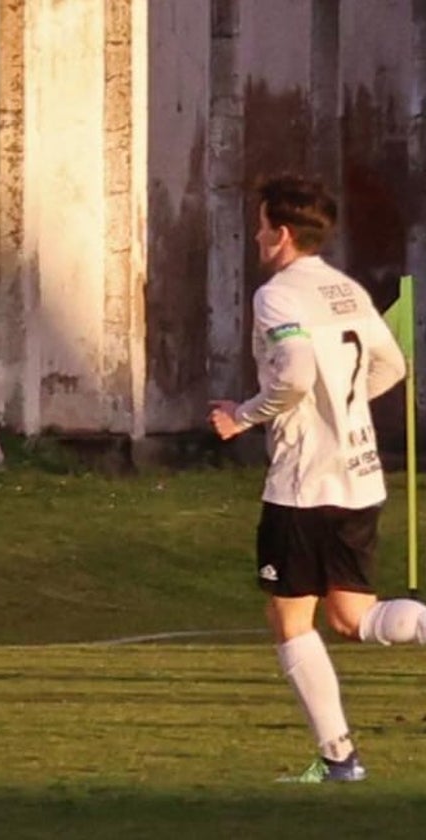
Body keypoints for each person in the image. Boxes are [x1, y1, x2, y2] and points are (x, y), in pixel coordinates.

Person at [208, 174, 422, 783]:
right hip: (359, 477)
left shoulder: (278, 295)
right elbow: (391, 364)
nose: (254, 236)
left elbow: (296, 372)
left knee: (289, 620)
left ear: (280, 233)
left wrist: (241, 417)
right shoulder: (345, 290)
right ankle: (339, 759)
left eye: (258, 225)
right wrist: (348, 408)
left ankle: (339, 758)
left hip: (304, 484)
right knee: (353, 618)